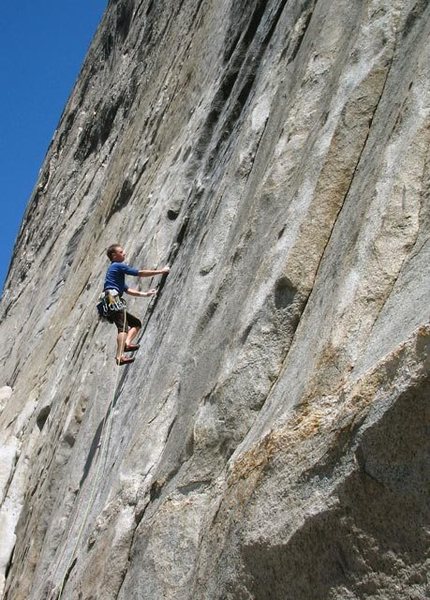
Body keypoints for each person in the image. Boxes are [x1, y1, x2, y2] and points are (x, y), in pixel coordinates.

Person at [103, 244, 170, 365]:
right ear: (114, 255)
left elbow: (128, 290)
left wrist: (145, 294)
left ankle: (127, 344)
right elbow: (139, 273)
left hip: (110, 299)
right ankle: (120, 356)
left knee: (136, 324)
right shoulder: (117, 266)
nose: (124, 253)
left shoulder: (115, 275)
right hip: (111, 298)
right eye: (121, 252)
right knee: (122, 327)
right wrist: (161, 271)